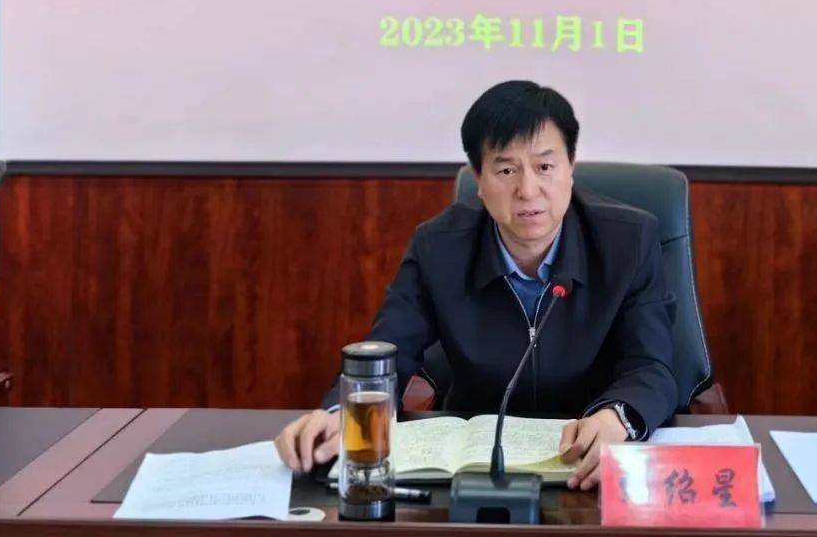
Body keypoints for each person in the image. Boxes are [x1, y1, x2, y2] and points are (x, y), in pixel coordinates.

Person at [275, 80, 677, 490]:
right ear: (479, 181)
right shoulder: (439, 247)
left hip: (590, 464)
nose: (528, 190)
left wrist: (617, 417)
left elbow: (652, 364)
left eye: (544, 167)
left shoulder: (628, 241)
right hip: (474, 469)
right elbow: (390, 351)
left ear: (570, 167)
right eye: (506, 170)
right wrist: (345, 415)